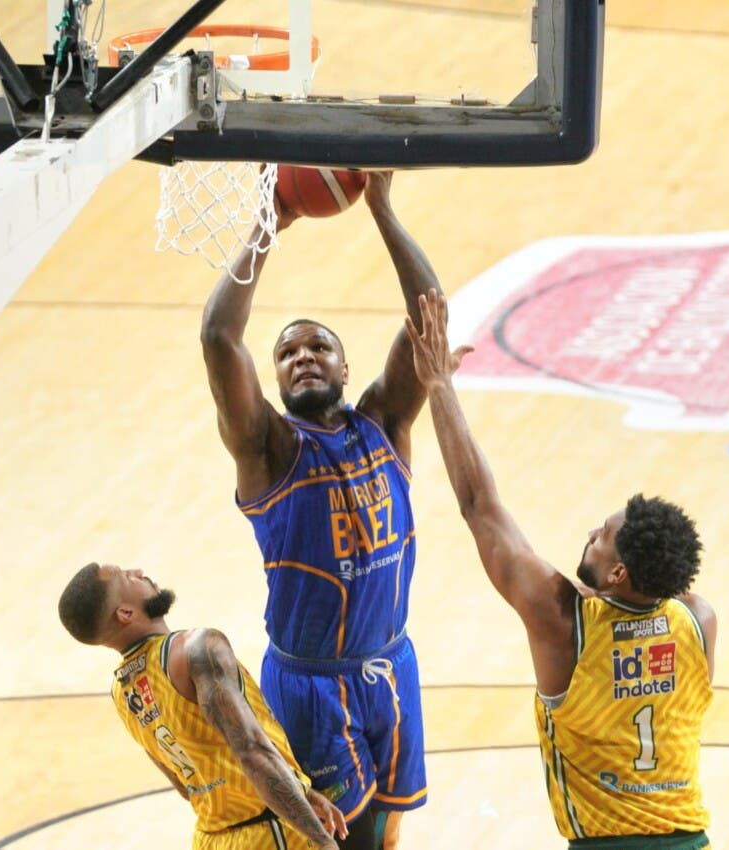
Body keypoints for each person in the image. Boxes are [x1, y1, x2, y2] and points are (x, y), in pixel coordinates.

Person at [405, 289, 717, 849]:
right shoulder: (697, 620)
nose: (592, 535)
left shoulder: (563, 622)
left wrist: (439, 387)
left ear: (620, 574)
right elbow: (655, 611)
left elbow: (480, 505)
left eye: (603, 536)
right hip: (691, 839)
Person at [199, 172, 440, 850]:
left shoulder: (385, 421)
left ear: (342, 365)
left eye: (317, 347)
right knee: (341, 839)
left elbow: (430, 312)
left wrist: (382, 210)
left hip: (391, 663)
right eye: (286, 353)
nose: (302, 355)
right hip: (309, 685)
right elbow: (219, 337)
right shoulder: (269, 448)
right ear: (274, 379)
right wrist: (267, 223)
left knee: (387, 833)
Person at [58, 562, 348, 850]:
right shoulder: (196, 648)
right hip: (271, 833)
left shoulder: (122, 692)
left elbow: (186, 783)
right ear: (125, 613)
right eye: (126, 576)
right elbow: (251, 750)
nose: (138, 571)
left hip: (211, 838)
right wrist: (322, 841)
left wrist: (299, 791)